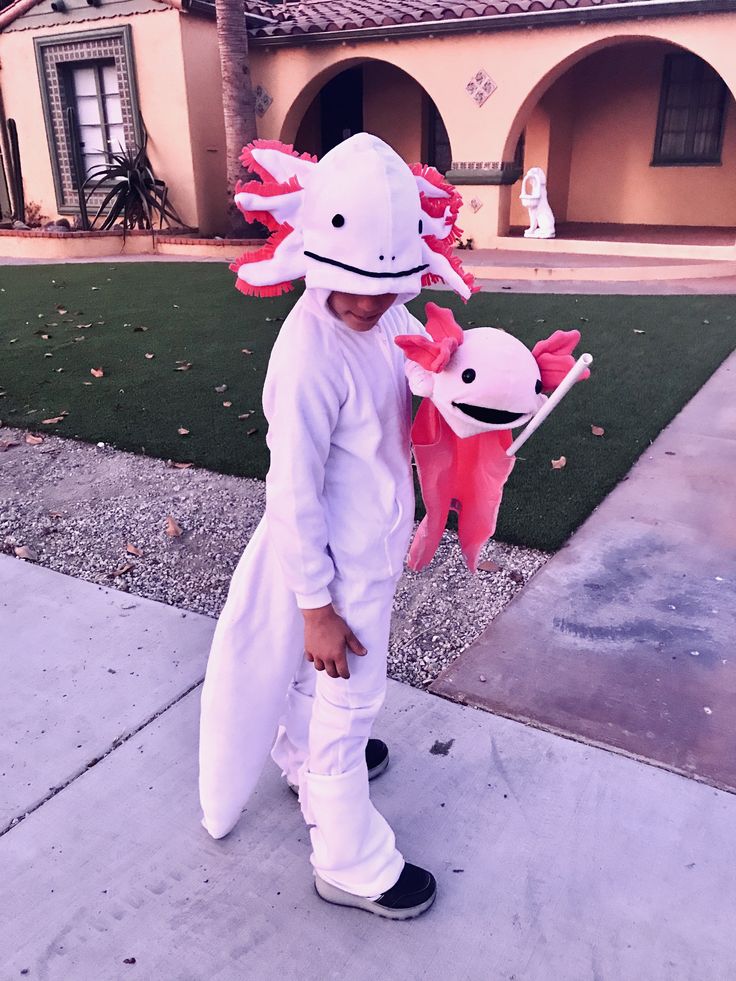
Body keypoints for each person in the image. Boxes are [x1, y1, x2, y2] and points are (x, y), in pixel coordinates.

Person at [198, 133, 474, 919]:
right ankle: (349, 857)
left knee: (317, 684)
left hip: (366, 546)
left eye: (383, 288)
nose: (363, 302)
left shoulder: (388, 317)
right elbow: (291, 488)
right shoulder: (309, 355)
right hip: (338, 565)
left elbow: (411, 383)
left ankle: (299, 753)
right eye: (346, 286)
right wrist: (315, 604)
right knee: (351, 701)